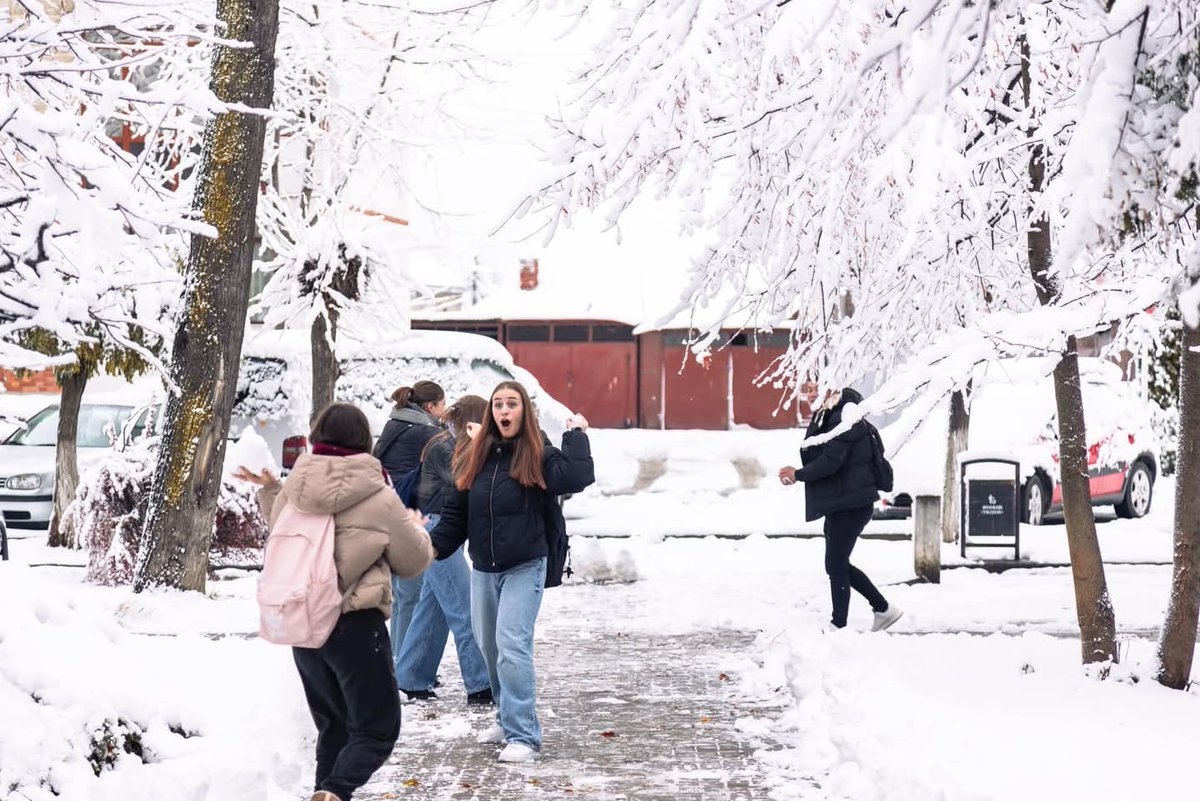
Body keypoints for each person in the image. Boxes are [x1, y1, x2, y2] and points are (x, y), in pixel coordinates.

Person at [236, 402, 434, 801]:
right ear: (365, 441)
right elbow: (411, 562)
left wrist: (272, 489)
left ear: (318, 437)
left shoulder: (297, 486)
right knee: (377, 729)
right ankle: (335, 791)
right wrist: (416, 530)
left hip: (305, 626)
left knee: (334, 728)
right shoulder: (379, 493)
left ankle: (325, 793)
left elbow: (281, 530)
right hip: (355, 626)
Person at [430, 381, 594, 763]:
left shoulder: (536, 452)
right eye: (498, 404)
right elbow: (456, 515)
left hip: (525, 564)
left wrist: (576, 436)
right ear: (491, 413)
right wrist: (432, 546)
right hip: (485, 568)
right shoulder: (475, 456)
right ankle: (506, 719)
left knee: (512, 646)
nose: (504, 410)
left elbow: (574, 477)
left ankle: (523, 735)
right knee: (490, 647)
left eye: (512, 404)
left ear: (523, 412)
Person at [394, 394, 493, 705]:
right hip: (435, 532)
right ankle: (481, 684)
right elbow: (466, 482)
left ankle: (411, 678)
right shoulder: (444, 446)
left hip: (438, 530)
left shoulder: (448, 442)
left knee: (433, 609)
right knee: (465, 608)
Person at [778, 388, 903, 633]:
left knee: (835, 564)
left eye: (816, 389)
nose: (811, 394)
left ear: (831, 389)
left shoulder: (845, 419)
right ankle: (881, 609)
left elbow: (831, 461)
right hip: (843, 502)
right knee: (837, 564)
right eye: (808, 389)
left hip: (851, 504)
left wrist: (798, 474)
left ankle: (840, 624)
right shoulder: (833, 416)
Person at [373, 381, 446, 669]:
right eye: (442, 405)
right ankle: (402, 663)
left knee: (402, 595)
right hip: (410, 519)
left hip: (386, 514)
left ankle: (395, 658)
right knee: (411, 594)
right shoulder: (429, 433)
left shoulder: (396, 424)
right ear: (430, 407)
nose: (444, 411)